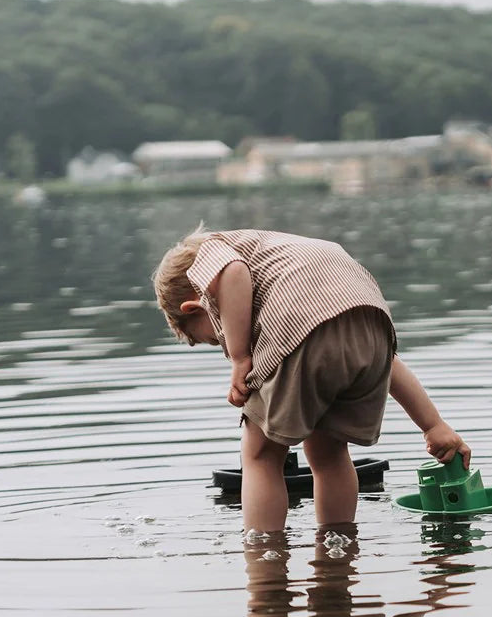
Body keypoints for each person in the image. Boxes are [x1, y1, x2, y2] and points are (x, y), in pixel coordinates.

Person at [152, 227, 470, 533]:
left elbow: (233, 273)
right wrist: (433, 425)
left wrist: (239, 356)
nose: (221, 343)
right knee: (329, 452)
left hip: (299, 328)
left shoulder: (213, 256)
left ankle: (266, 559)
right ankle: (338, 546)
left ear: (195, 307)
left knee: (261, 454)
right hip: (372, 326)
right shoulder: (279, 255)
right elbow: (390, 362)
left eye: (210, 339)